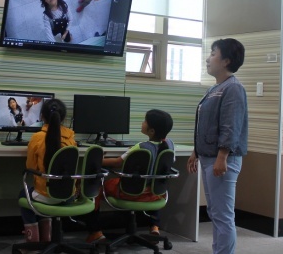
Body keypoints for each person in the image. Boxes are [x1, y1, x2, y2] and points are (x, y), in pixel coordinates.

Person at [188, 38, 248, 254]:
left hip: (223, 159)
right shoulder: (216, 88)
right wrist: (196, 151)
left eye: (213, 54)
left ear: (226, 61)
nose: (208, 58)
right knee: (215, 212)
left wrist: (222, 156)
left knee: (223, 215)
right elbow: (207, 125)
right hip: (209, 157)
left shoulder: (233, 88)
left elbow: (230, 126)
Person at [84, 109, 174, 243]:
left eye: (145, 121)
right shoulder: (170, 146)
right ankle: (154, 226)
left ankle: (95, 231)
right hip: (155, 194)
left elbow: (116, 163)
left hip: (131, 194)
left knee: (94, 187)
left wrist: (97, 160)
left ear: (151, 131)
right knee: (152, 180)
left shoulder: (141, 147)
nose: (142, 123)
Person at [20, 98, 77, 245]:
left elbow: (31, 168)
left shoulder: (37, 138)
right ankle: (47, 238)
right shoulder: (71, 139)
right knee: (41, 192)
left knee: (24, 193)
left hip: (46, 196)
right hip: (68, 196)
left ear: (42, 116)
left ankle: (33, 243)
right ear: (63, 118)